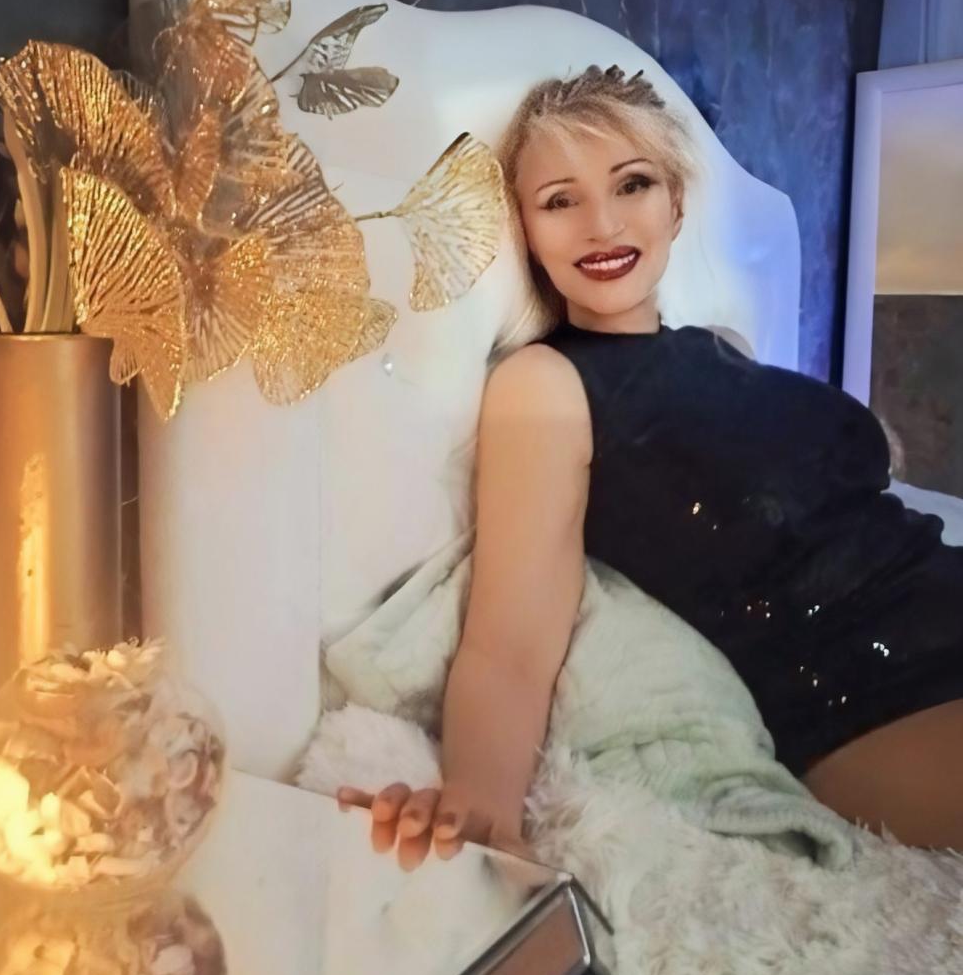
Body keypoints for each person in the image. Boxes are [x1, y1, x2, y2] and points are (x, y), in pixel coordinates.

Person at [338, 64, 963, 864]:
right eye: (559, 200)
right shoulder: (545, 384)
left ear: (675, 205)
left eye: (631, 185)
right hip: (872, 693)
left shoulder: (721, 349)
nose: (601, 224)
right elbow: (509, 643)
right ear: (526, 230)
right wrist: (481, 807)